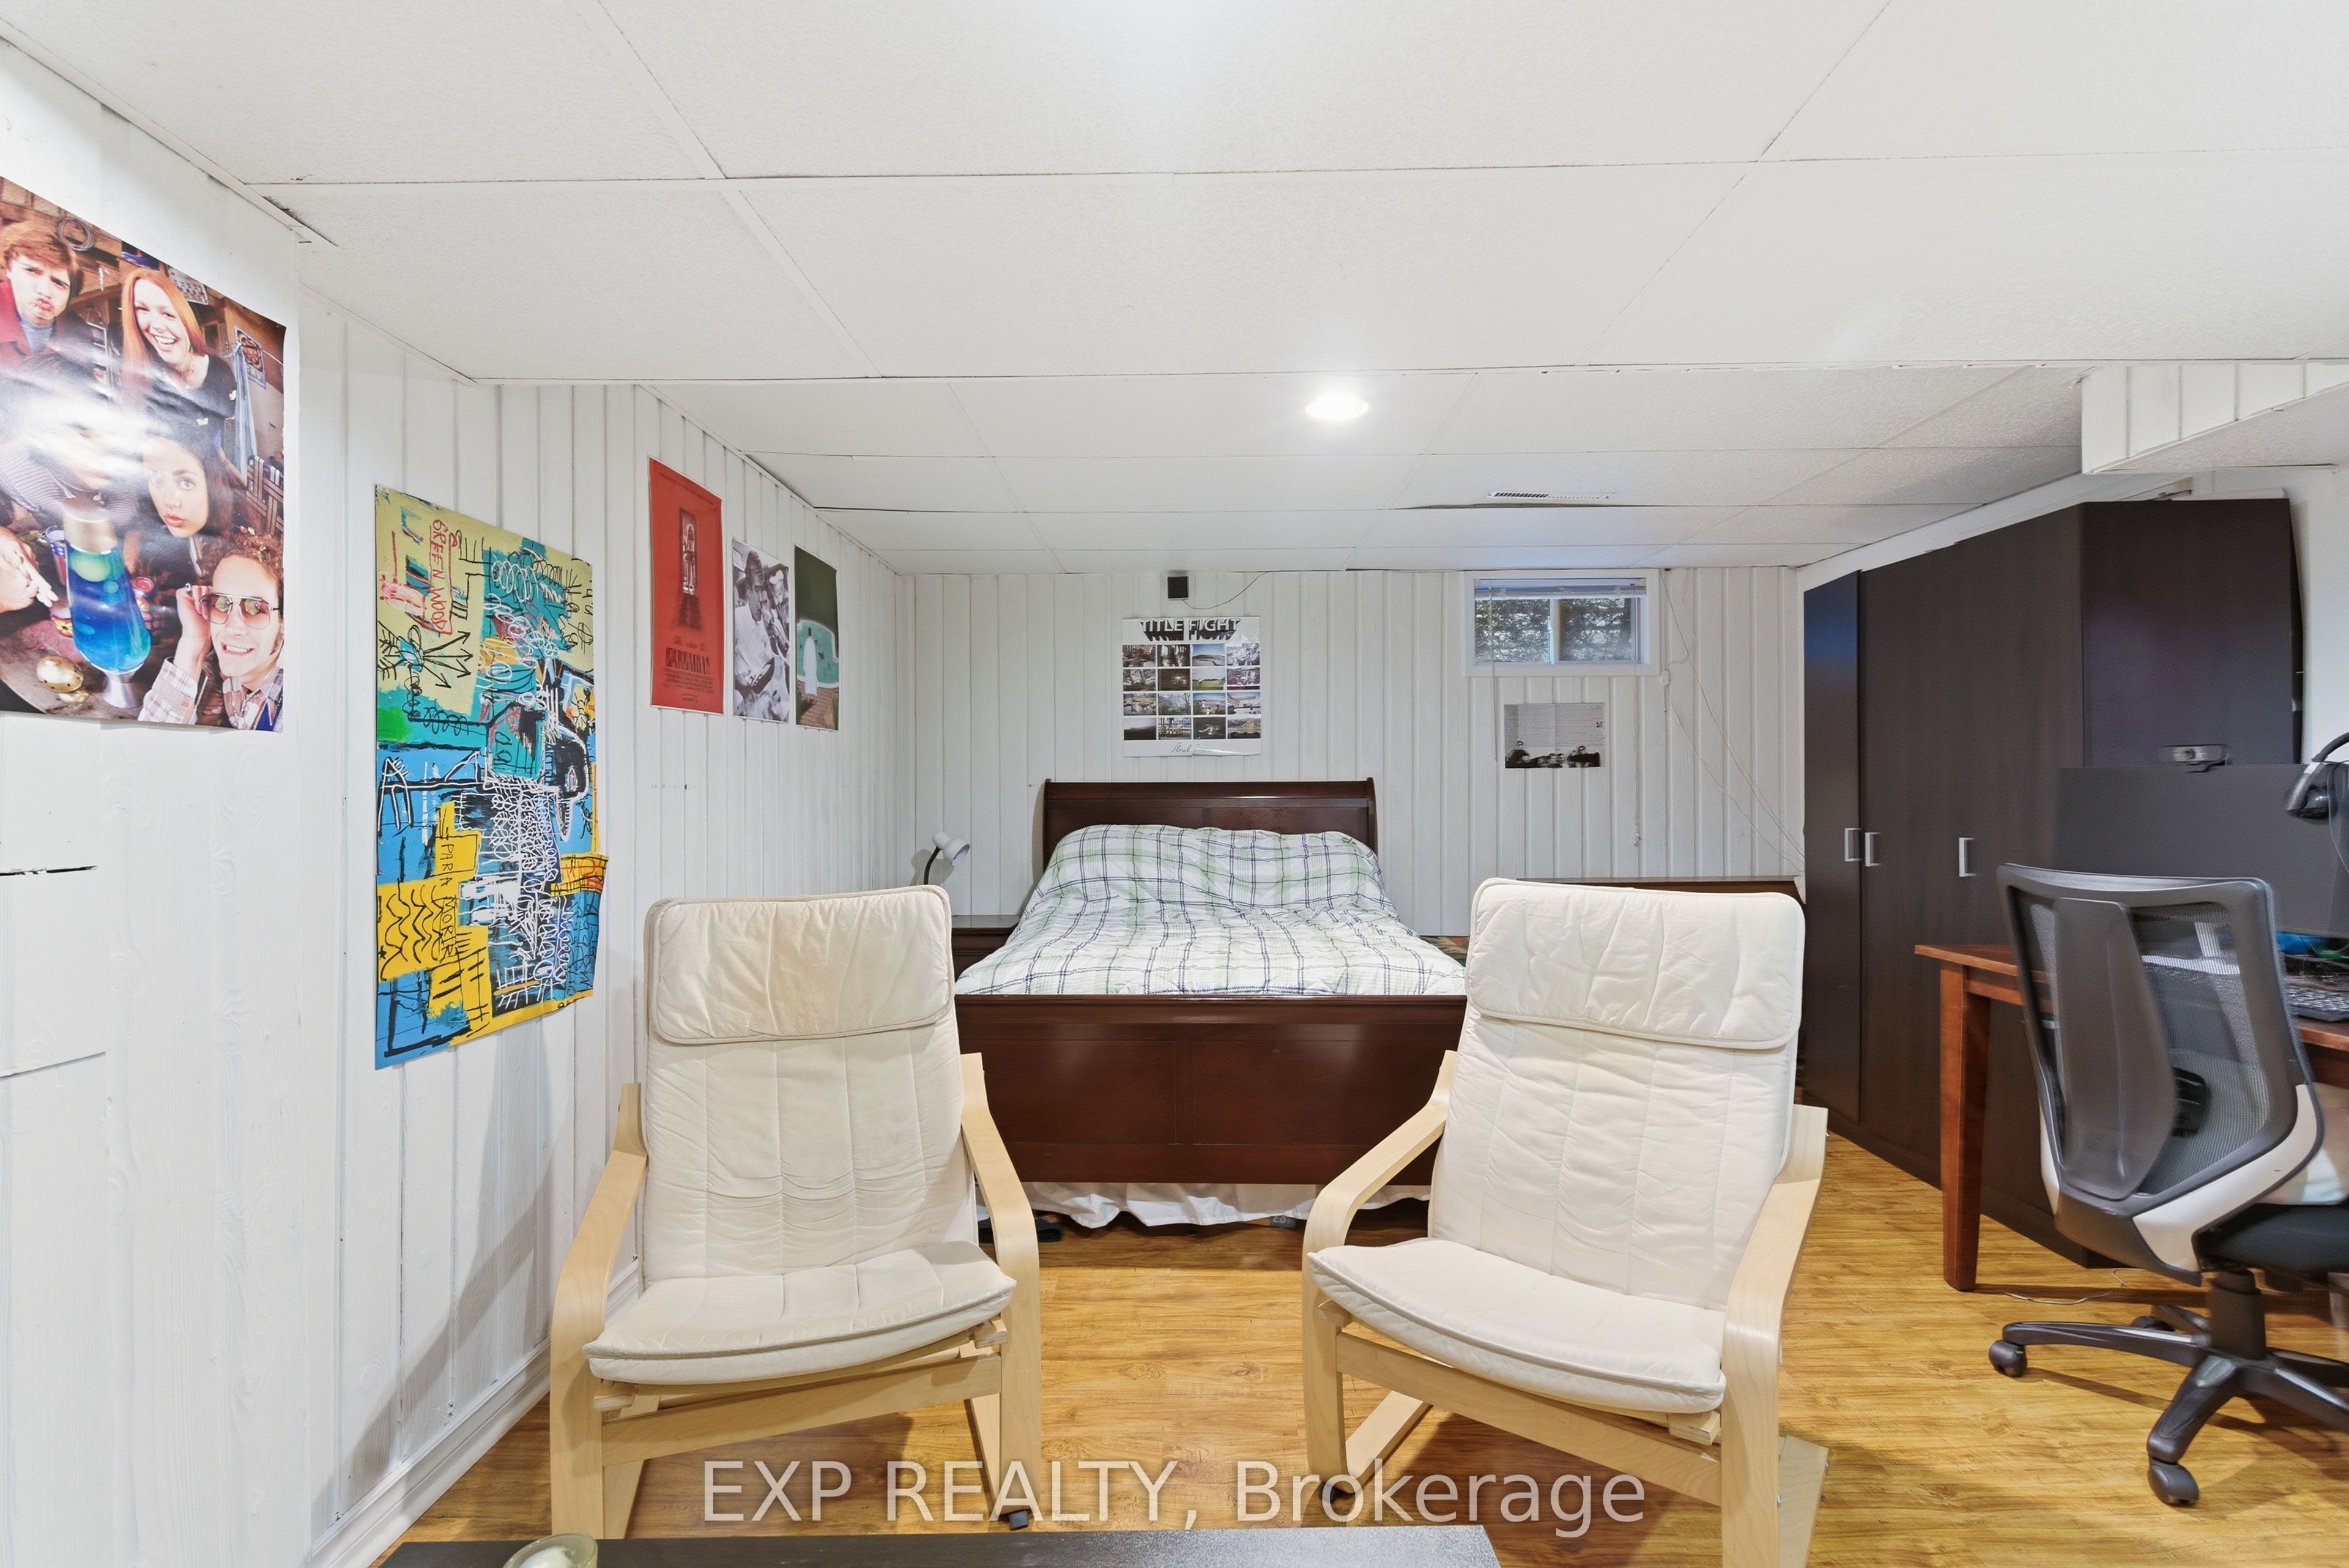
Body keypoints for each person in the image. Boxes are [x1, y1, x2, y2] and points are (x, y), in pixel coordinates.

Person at [139, 535, 283, 729]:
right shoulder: (223, 670)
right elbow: (150, 739)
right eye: (221, 604)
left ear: (284, 620)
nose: (233, 627)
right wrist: (194, 640)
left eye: (255, 608)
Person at [119, 267, 235, 440]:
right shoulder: (141, 378)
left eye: (167, 313)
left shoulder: (220, 372)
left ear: (185, 319)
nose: (157, 326)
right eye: (142, 310)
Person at [0, 220, 76, 369]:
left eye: (59, 283)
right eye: (32, 271)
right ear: (8, 268)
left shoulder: (75, 330)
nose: (45, 291)